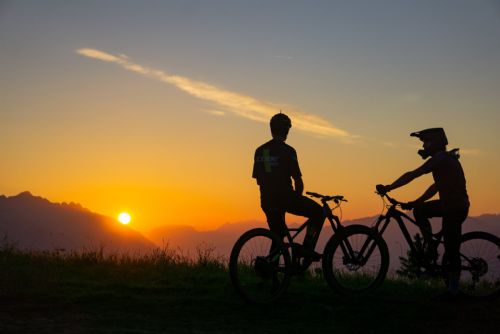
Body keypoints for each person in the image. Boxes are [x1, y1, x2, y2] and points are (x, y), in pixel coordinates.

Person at [376, 128, 469, 300]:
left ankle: (454, 291)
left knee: (451, 247)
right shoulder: (444, 159)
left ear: (434, 143)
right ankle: (430, 245)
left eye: (426, 142)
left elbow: (413, 175)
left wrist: (389, 187)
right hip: (448, 205)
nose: (424, 146)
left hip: (454, 208)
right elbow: (436, 188)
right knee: (420, 210)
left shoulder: (440, 159)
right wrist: (417, 202)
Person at [252, 113, 323, 260]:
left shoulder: (260, 151)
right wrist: (298, 198)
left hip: (267, 200)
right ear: (286, 131)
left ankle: (271, 272)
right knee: (318, 212)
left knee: (277, 236)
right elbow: (298, 181)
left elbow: (258, 179)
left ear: (271, 129)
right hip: (286, 198)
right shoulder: (289, 151)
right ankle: (306, 249)